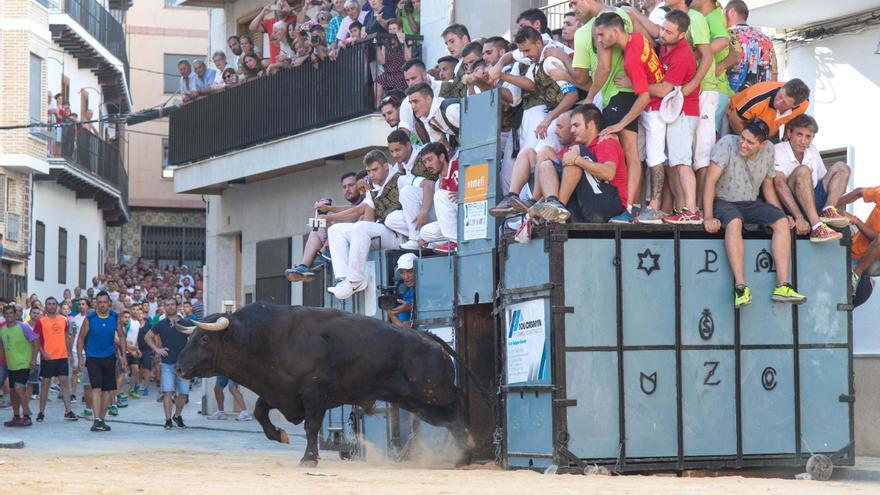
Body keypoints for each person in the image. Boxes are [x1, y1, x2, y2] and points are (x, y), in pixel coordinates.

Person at [702, 119, 806, 309]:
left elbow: (768, 187)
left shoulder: (769, 150)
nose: (743, 144)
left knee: (782, 222)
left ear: (762, 143)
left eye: (750, 142)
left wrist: (781, 213)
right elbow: (709, 181)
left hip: (750, 202)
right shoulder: (727, 143)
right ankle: (740, 287)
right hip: (723, 201)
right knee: (734, 222)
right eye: (743, 138)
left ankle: (782, 286)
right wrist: (708, 216)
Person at [592, 12, 664, 223]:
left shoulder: (631, 59)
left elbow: (643, 97)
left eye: (602, 35)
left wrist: (619, 124)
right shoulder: (638, 38)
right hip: (657, 106)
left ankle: (633, 208)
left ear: (615, 31)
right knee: (638, 157)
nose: (599, 41)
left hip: (654, 110)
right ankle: (635, 207)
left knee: (649, 158)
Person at [327, 151, 408, 299]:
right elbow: (368, 220)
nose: (371, 174)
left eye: (375, 170)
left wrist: (330, 215)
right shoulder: (372, 186)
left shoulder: (400, 180)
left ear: (385, 166)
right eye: (369, 171)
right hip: (383, 233)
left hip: (401, 236)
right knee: (335, 230)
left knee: (361, 227)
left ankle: (355, 280)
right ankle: (343, 279)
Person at [531, 104, 627, 223]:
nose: (572, 130)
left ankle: (559, 206)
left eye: (576, 125)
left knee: (575, 153)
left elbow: (609, 173)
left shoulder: (606, 142)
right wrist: (538, 206)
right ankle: (552, 203)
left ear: (591, 125)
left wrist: (577, 160)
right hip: (586, 205)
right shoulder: (581, 149)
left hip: (610, 207)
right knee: (546, 164)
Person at [499, 26, 578, 155]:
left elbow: (572, 95)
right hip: (554, 116)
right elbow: (530, 84)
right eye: (522, 51)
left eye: (527, 50)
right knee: (529, 156)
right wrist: (500, 75)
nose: (525, 55)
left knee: (538, 155)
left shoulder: (550, 62)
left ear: (539, 43)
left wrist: (548, 119)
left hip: (567, 115)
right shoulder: (536, 62)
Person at [772, 114, 850, 242]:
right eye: (799, 135)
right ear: (789, 133)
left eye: (808, 136)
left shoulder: (812, 149)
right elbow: (779, 184)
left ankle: (828, 211)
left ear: (813, 138)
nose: (803, 141)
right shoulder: (778, 150)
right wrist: (799, 217)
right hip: (792, 204)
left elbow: (824, 180)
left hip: (813, 199)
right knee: (803, 170)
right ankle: (817, 227)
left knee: (842, 167)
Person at [287, 172, 367, 282]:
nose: (347, 189)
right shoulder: (354, 204)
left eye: (351, 185)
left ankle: (320, 258)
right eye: (344, 187)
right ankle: (305, 266)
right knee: (317, 228)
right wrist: (325, 211)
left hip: (357, 239)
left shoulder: (368, 197)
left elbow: (354, 213)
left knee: (334, 225)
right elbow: (349, 209)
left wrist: (329, 213)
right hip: (342, 239)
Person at [76, 291, 127, 432]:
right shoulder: (90, 318)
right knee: (96, 388)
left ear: (109, 303)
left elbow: (121, 336)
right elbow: (80, 338)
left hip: (110, 357)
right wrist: (80, 358)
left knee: (107, 389)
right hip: (93, 358)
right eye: (99, 302)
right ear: (96, 304)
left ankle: (101, 420)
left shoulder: (114, 317)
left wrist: (123, 356)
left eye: (105, 302)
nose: (102, 305)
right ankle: (96, 419)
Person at [145, 298, 194, 430]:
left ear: (177, 307)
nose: (170, 307)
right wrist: (157, 349)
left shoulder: (186, 322)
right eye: (167, 305)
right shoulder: (161, 324)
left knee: (183, 393)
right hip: (167, 363)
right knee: (168, 393)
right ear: (164, 307)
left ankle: (177, 416)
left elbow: (194, 339)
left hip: (183, 364)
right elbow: (147, 337)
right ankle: (167, 420)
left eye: (172, 304)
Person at [387, 130, 437, 250]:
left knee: (407, 191)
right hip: (423, 210)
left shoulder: (422, 157)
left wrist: (423, 212)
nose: (394, 155)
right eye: (391, 151)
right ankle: (425, 237)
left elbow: (430, 185)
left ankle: (416, 239)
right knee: (390, 220)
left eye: (398, 150)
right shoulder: (401, 165)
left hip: (437, 205)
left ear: (408, 146)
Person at [33, 297, 77, 422]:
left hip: (62, 356)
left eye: (53, 304)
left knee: (64, 383)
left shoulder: (64, 320)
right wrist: (43, 353)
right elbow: (36, 339)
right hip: (48, 357)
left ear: (57, 306)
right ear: (45, 306)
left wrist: (70, 354)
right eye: (49, 304)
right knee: (45, 385)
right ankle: (41, 412)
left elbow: (66, 338)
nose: (51, 306)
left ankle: (68, 412)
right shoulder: (41, 321)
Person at [724, 0, 777, 93]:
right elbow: (774, 72)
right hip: (760, 99)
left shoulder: (729, 35)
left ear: (731, 12)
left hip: (733, 99)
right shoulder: (766, 39)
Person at [728, 79, 810, 138]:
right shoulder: (756, 99)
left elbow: (792, 120)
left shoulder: (803, 105)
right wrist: (750, 141)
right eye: (780, 96)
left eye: (784, 103)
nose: (778, 102)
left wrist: (785, 139)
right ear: (782, 88)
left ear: (795, 105)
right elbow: (734, 118)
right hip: (739, 122)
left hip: (769, 129)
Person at [837, 187, 880, 299]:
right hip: (856, 250)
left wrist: (855, 220)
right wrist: (832, 207)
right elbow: (859, 192)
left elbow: (876, 238)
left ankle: (857, 273)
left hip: (872, 261)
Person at [417, 143, 459, 253]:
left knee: (440, 195)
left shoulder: (457, 165)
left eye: (430, 159)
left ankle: (454, 242)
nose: (427, 165)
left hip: (471, 208)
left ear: (441, 157)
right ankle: (437, 243)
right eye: (425, 162)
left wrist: (464, 193)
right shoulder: (440, 183)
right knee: (424, 232)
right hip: (457, 220)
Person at [0, 305, 38, 427]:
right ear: (4, 315)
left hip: (24, 363)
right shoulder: (3, 329)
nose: (9, 315)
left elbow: (35, 341)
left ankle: (26, 416)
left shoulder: (23, 326)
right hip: (11, 365)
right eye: (6, 313)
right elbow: (2, 347)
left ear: (15, 313)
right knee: (12, 392)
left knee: (19, 388)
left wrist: (33, 360)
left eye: (11, 313)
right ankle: (16, 417)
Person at [438, 24, 471, 99]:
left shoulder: (476, 57)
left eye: (452, 41)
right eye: (447, 43)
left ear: (464, 39)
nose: (449, 47)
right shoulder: (458, 65)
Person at [387, 253, 417, 327]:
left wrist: (411, 308)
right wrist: (392, 315)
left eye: (410, 271)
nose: (406, 277)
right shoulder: (407, 295)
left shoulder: (429, 291)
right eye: (402, 273)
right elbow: (404, 329)